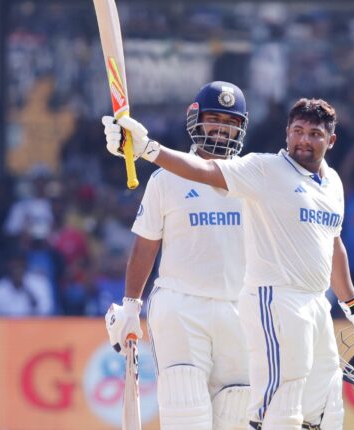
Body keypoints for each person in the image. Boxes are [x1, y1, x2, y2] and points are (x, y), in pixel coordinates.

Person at [104, 97, 354, 429]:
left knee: (311, 410)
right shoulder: (262, 169)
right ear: (286, 133)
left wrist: (352, 304)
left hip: (251, 309)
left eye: (314, 134)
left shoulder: (332, 184)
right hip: (193, 304)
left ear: (331, 140)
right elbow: (203, 173)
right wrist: (148, 149)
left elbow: (332, 242)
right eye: (298, 131)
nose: (304, 140)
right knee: (194, 413)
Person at [104, 81, 251, 430]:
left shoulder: (255, 177)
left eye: (230, 121)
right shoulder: (165, 179)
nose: (221, 127)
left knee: (236, 415)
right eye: (214, 118)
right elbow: (145, 244)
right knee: (187, 416)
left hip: (241, 310)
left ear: (241, 128)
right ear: (196, 122)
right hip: (182, 307)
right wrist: (130, 305)